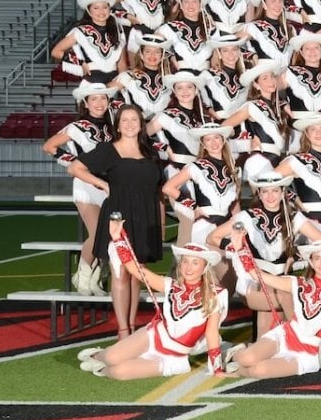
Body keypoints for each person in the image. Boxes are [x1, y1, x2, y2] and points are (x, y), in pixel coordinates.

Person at [67, 104, 164, 338]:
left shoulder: (150, 152)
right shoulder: (108, 150)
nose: (130, 124)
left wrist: (160, 224)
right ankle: (122, 331)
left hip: (145, 220)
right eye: (125, 120)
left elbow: (158, 192)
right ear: (118, 125)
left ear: (141, 124)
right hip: (118, 220)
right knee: (120, 274)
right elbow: (75, 167)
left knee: (135, 277)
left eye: (134, 120)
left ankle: (131, 327)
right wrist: (103, 184)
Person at [78, 228, 227, 379]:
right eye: (185, 262)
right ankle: (98, 356)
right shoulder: (170, 285)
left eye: (195, 263)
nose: (189, 267)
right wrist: (118, 239)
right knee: (111, 358)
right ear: (180, 265)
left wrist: (217, 369)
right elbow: (134, 269)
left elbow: (212, 333)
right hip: (153, 336)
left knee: (118, 372)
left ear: (205, 267)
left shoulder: (216, 295)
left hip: (174, 358)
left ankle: (103, 369)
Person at [207, 170, 321, 338]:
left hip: (279, 279)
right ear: (259, 193)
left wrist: (296, 256)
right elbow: (212, 237)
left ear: (283, 192)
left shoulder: (293, 217)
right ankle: (307, 342)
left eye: (275, 190)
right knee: (290, 295)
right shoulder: (246, 217)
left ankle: (259, 352)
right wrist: (239, 249)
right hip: (253, 280)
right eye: (265, 191)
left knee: (268, 334)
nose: (270, 196)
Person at [227, 239, 321, 378]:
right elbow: (259, 276)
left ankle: (237, 369)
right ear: (311, 262)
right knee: (247, 359)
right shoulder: (298, 283)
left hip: (307, 353)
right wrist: (240, 248)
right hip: (285, 336)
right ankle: (235, 354)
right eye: (317, 258)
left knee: (257, 371)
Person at [42, 81, 116, 295]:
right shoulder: (77, 126)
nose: (99, 103)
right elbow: (49, 146)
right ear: (86, 102)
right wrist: (76, 162)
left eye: (103, 98)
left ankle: (95, 277)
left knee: (110, 235)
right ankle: (83, 277)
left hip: (108, 184)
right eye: (94, 99)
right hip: (86, 183)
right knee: (98, 234)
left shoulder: (114, 125)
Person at [161, 123, 240, 248]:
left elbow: (235, 203)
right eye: (208, 139)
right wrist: (193, 206)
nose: (213, 143)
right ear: (203, 144)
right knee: (202, 265)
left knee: (231, 266)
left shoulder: (232, 169)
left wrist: (238, 225)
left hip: (226, 227)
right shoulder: (196, 166)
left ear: (223, 140)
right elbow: (168, 188)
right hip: (204, 225)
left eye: (216, 138)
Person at [51, 0, 127, 82]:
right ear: (89, 11)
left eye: (105, 7)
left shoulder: (117, 30)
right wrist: (80, 62)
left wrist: (122, 85)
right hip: (92, 81)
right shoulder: (80, 31)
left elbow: (122, 64)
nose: (101, 11)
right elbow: (56, 52)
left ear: (109, 9)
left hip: (113, 81)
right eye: (96, 8)